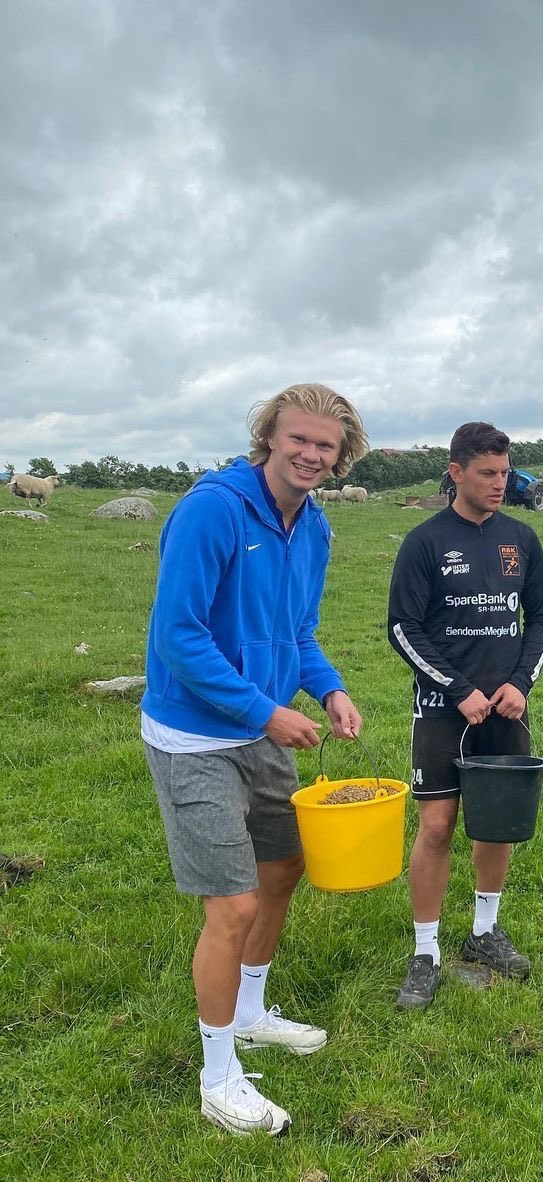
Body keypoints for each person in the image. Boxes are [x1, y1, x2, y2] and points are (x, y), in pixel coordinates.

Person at [141, 383, 367, 1136]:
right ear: (267, 437)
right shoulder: (213, 509)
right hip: (195, 737)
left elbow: (297, 631)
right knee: (232, 905)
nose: (308, 454)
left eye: (324, 446)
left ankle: (248, 1012)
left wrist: (328, 690)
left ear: (340, 458)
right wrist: (267, 712)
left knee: (282, 870)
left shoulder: (317, 530)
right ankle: (217, 1078)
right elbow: (179, 635)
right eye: (296, 438)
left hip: (261, 731)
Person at [387, 421, 543, 1010]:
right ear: (455, 472)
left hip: (506, 707)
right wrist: (457, 689)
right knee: (436, 827)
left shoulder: (521, 539)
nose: (499, 484)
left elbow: (540, 617)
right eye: (487, 473)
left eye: (505, 473)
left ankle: (484, 931)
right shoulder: (425, 542)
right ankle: (425, 949)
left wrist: (520, 682)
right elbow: (403, 629)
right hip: (442, 708)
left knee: (495, 822)